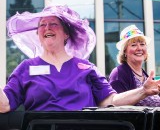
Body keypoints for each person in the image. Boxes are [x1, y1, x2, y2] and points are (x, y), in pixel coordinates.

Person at [1, 6, 160, 113]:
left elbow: (110, 100)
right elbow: (4, 104)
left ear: (66, 33)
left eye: (53, 24)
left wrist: (143, 91)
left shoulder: (86, 67)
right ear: (38, 34)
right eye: (42, 25)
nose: (47, 28)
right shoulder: (25, 68)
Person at [109, 24, 160, 107]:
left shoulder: (145, 75)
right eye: (133, 45)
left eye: (142, 44)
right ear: (124, 51)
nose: (139, 48)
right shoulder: (119, 73)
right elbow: (114, 107)